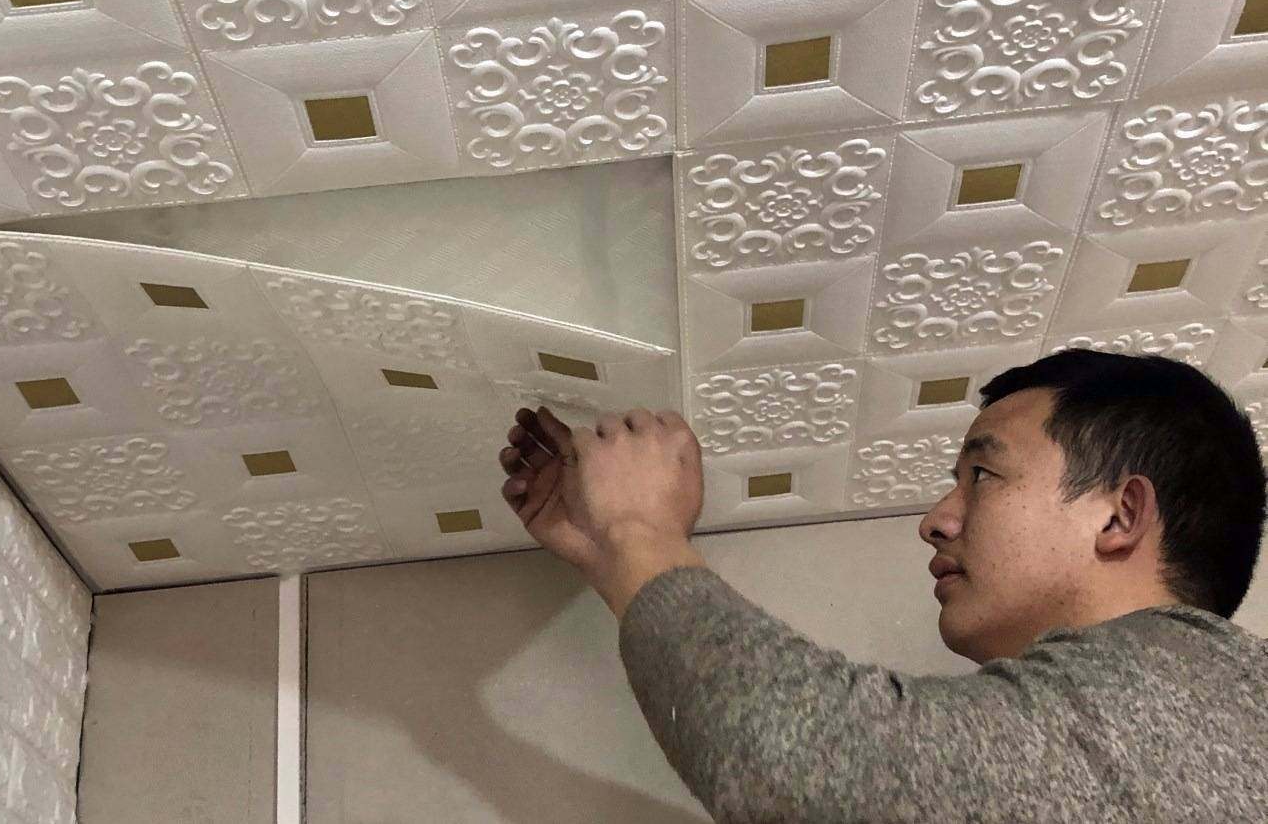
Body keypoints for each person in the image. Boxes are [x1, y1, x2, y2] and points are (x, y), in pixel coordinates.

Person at [497, 347, 1268, 822]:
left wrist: (639, 534)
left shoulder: (1205, 696)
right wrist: (614, 554)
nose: (936, 521)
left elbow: (811, 761)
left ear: (1119, 515)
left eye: (982, 475)